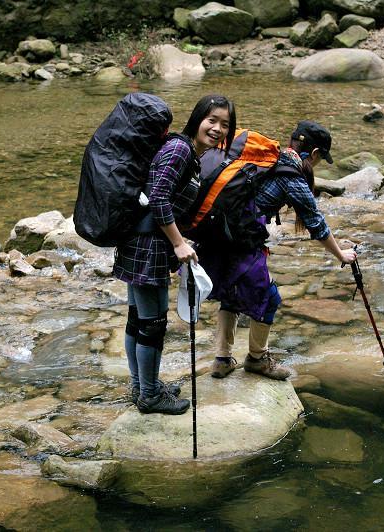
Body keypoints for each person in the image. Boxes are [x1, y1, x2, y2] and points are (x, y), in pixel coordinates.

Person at [198, 120, 357, 380]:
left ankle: (222, 359)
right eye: (320, 158)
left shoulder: (268, 159)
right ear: (315, 154)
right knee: (270, 298)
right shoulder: (291, 176)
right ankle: (257, 359)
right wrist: (341, 255)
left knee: (230, 295)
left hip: (218, 235)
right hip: (241, 241)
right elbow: (317, 225)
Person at [113, 95, 236, 414]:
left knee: (139, 319)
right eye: (212, 120)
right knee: (151, 323)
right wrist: (179, 243)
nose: (218, 129)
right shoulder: (180, 149)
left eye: (225, 124)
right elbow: (158, 198)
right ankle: (150, 395)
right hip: (147, 245)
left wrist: (181, 239)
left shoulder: (188, 153)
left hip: (142, 241)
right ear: (197, 119)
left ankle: (143, 386)